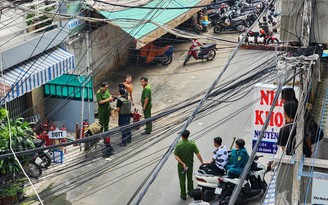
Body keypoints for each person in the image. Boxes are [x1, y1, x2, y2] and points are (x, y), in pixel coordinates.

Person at [174, 130, 204, 200]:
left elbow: (176, 157)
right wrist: (202, 162)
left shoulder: (178, 145)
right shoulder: (192, 144)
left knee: (182, 180)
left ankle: (183, 195)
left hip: (181, 167)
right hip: (189, 166)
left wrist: (182, 163)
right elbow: (198, 155)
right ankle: (190, 192)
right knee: (190, 179)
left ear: (182, 136)